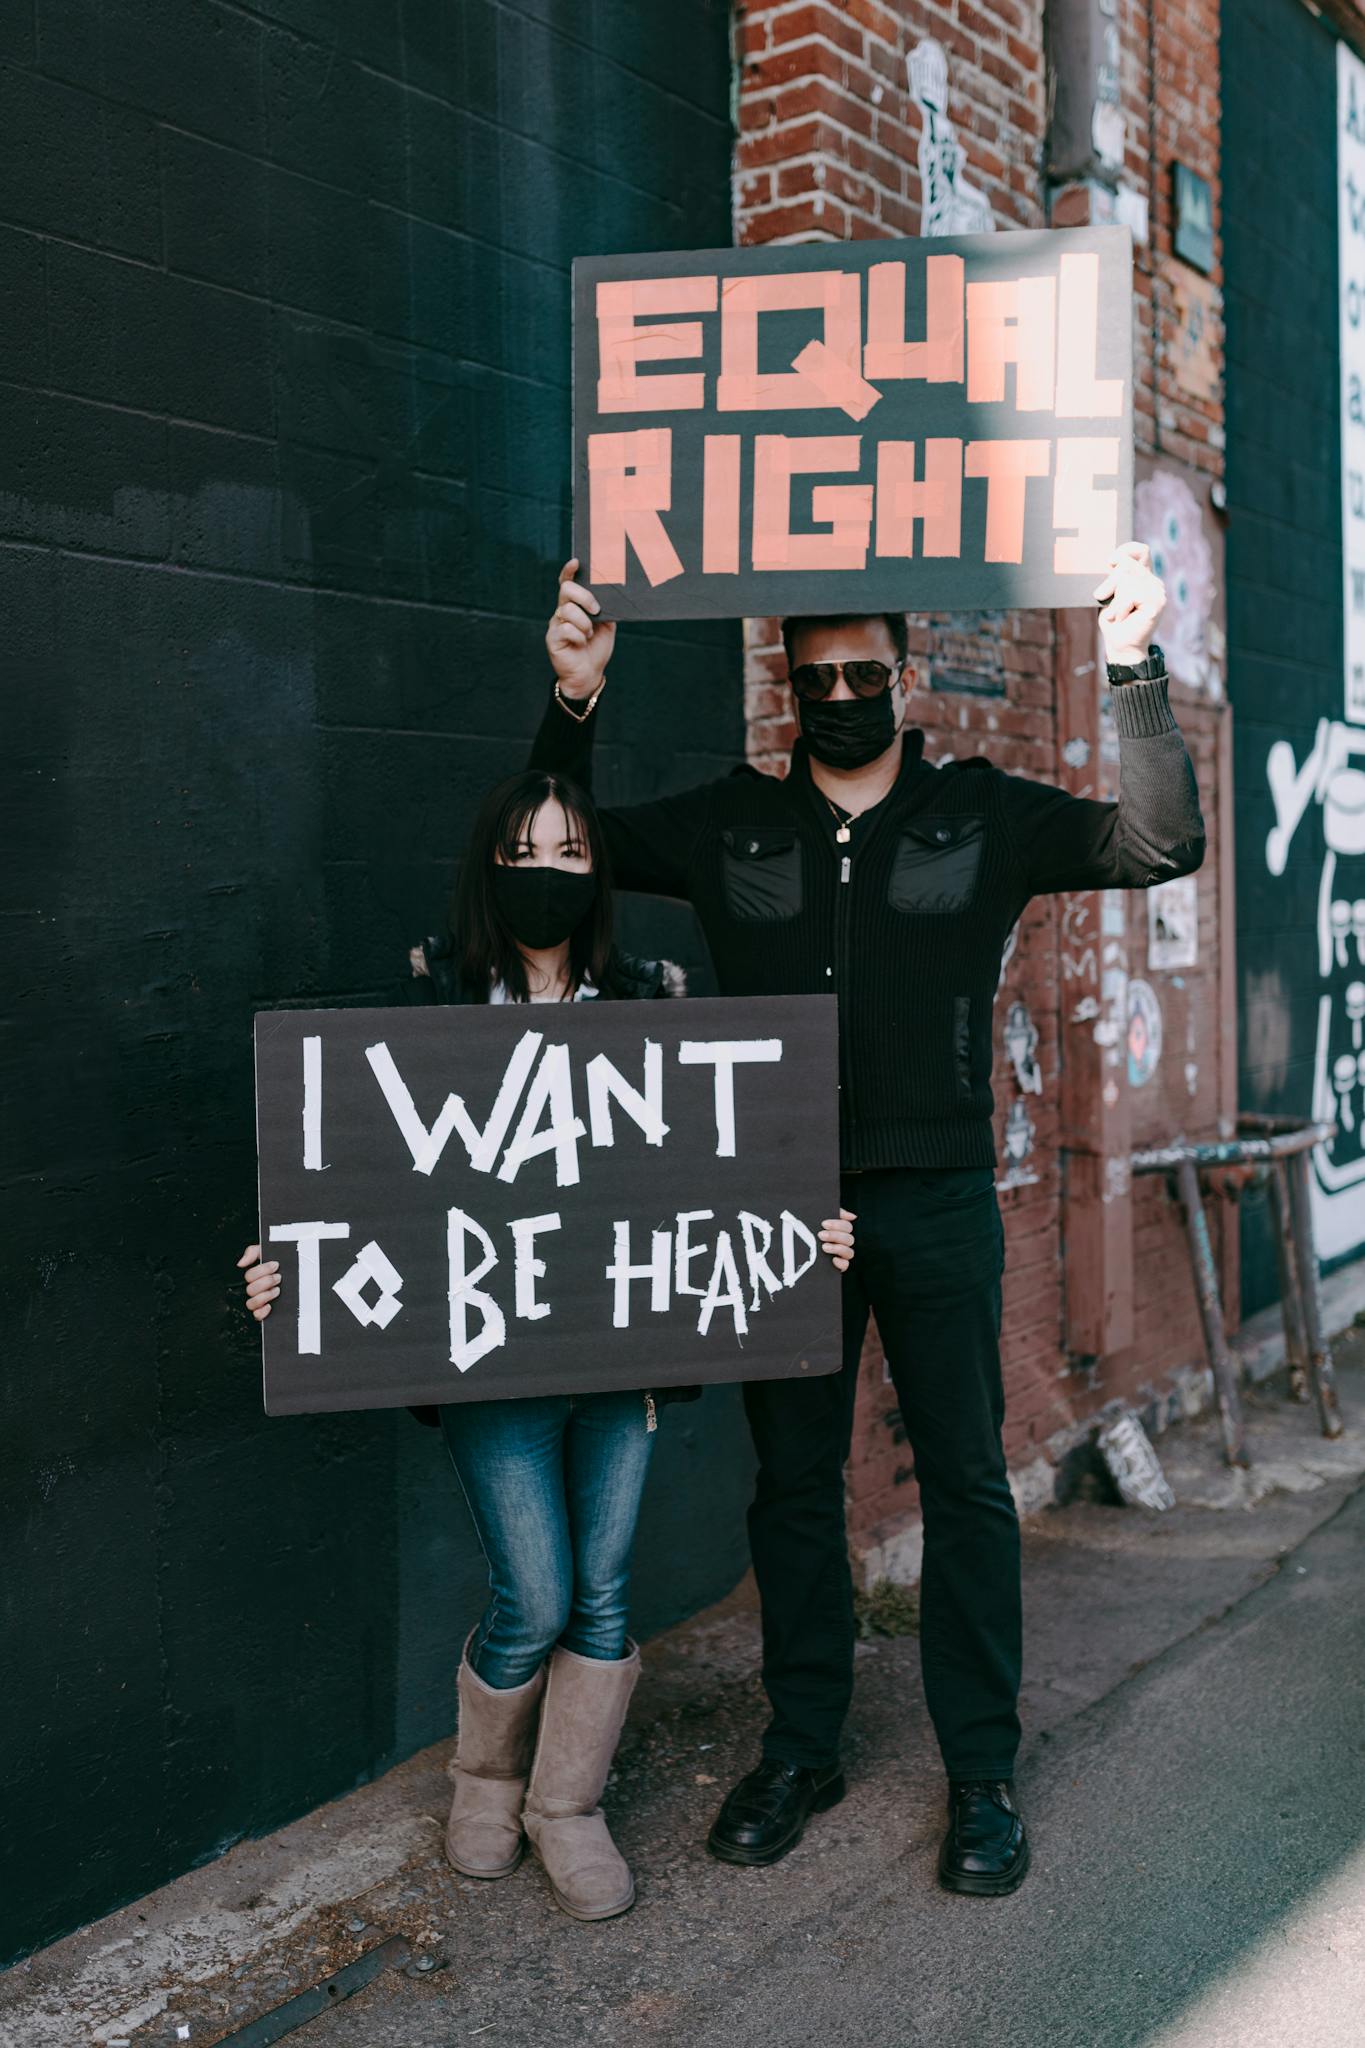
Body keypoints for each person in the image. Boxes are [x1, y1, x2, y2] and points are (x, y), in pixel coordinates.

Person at [532, 543, 1204, 1897]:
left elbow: (1157, 841)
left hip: (939, 1200)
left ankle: (981, 1775)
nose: (839, 691)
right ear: (787, 689)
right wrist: (574, 700)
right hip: (779, 1204)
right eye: (815, 674)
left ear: (904, 681)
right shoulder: (732, 820)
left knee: (962, 1483)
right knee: (790, 1487)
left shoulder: (979, 812)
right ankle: (802, 1745)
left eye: (863, 672)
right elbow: (559, 846)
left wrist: (1133, 664)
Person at [238, 769, 855, 1922]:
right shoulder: (437, 995)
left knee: (605, 1592)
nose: (551, 872)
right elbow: (364, 1168)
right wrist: (289, 1266)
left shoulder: (653, 994)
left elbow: (715, 1171)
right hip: (491, 1355)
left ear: (598, 871)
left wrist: (796, 1229)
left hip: (622, 1354)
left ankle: (567, 1806)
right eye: (528, 850)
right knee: (535, 1588)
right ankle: (486, 1779)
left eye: (573, 850)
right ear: (492, 864)